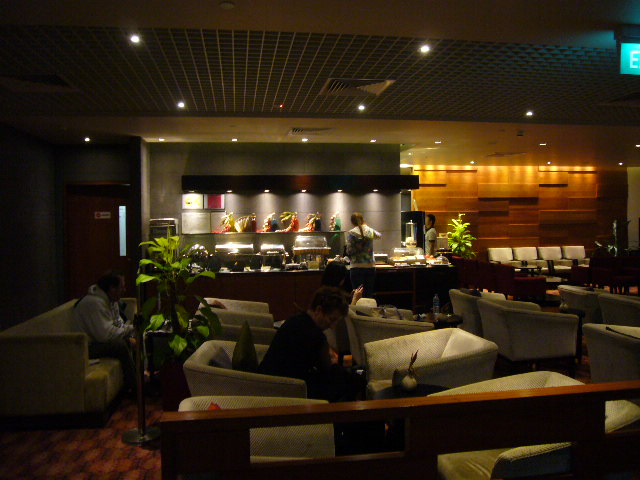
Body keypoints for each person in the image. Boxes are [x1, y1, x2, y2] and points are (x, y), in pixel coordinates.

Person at [258, 286, 363, 402]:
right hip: (289, 390)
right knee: (354, 381)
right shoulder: (314, 335)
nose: (333, 326)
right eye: (331, 319)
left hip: (268, 382)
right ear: (318, 310)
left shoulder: (294, 320)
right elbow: (327, 369)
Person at [73, 271, 136, 393]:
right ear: (112, 288)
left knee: (132, 337)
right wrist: (129, 333)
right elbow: (105, 335)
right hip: (86, 347)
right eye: (122, 287)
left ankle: (139, 379)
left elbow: (118, 324)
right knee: (121, 346)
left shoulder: (111, 301)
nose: (124, 290)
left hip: (98, 341)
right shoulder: (94, 304)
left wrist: (131, 330)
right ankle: (134, 386)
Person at [346, 212, 381, 299]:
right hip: (370, 266)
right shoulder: (370, 231)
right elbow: (379, 235)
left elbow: (349, 251)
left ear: (352, 222)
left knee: (358, 296)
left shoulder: (352, 233)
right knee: (368, 295)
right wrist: (366, 227)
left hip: (356, 267)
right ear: (362, 220)